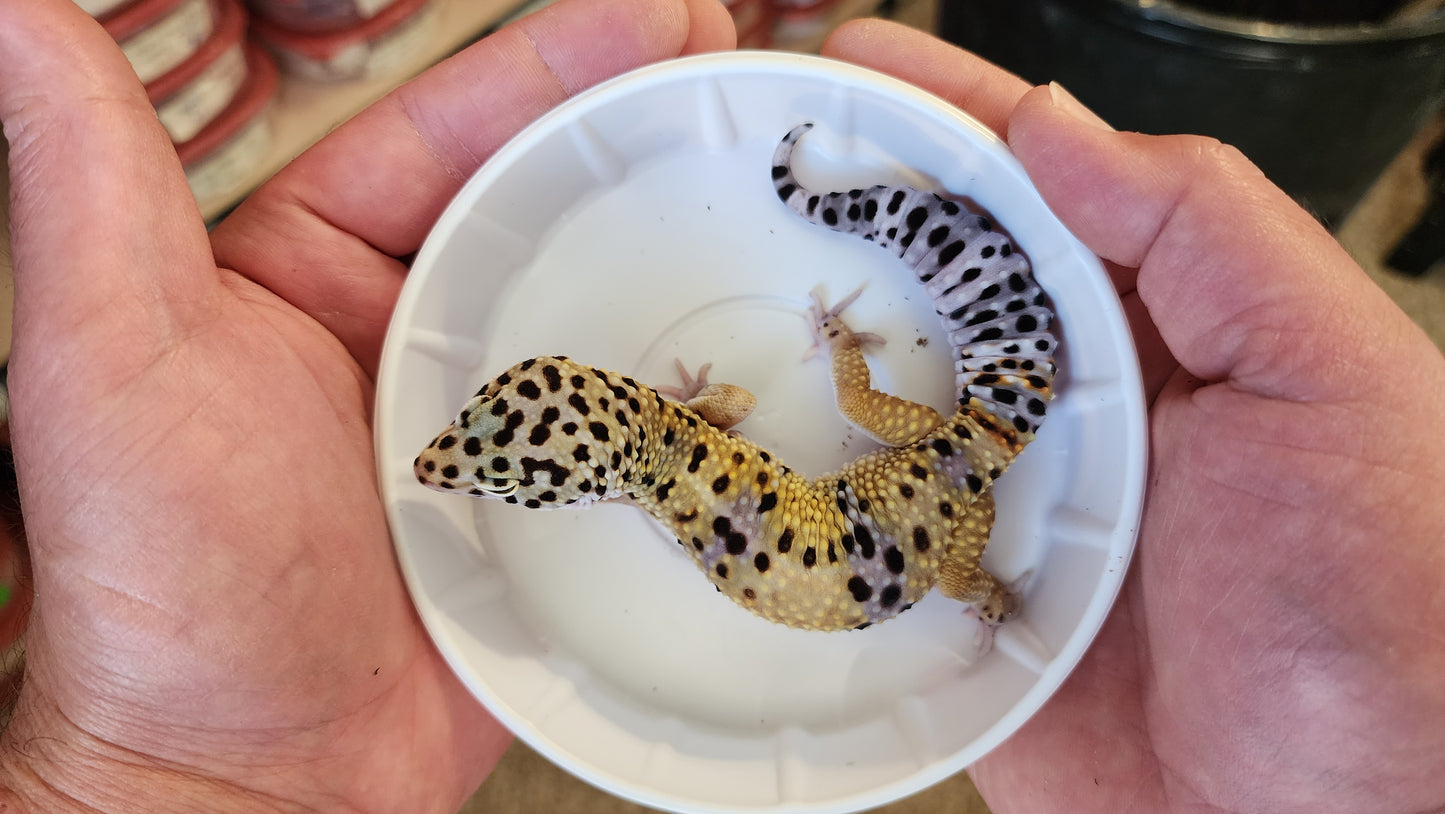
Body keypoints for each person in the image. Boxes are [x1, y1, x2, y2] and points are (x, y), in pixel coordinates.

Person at [0, 0, 1440, 810]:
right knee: (918, 412)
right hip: (914, 503)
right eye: (506, 452)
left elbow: (722, 417)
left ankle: (933, 460)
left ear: (599, 442)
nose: (461, 456)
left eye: (503, 442)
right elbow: (727, 409)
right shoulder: (677, 445)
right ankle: (883, 329)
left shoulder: (674, 454)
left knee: (921, 441)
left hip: (916, 526)